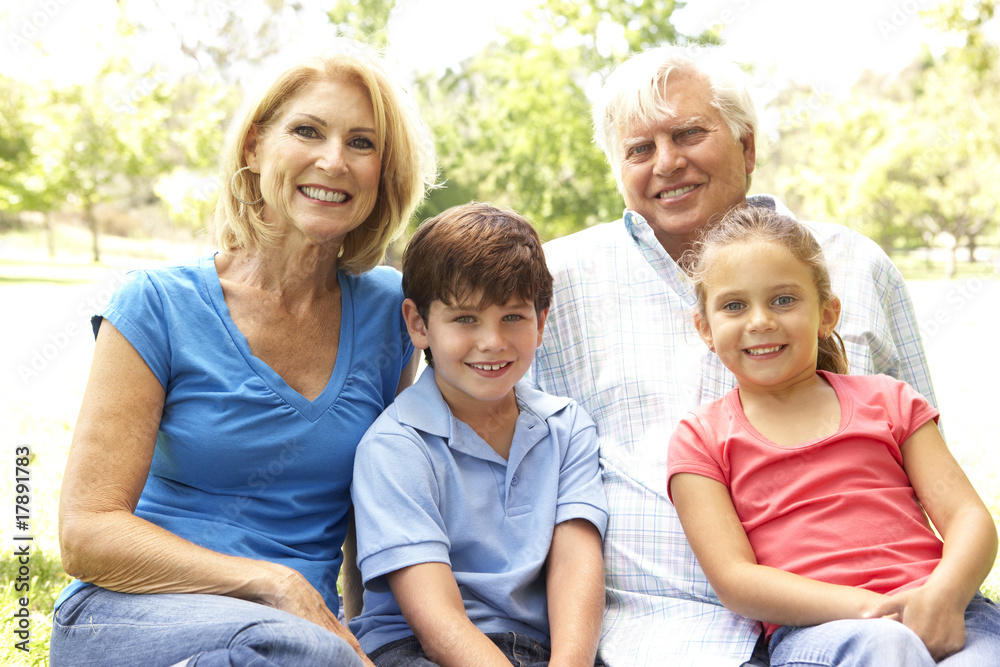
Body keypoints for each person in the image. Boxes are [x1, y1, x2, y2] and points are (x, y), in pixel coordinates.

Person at [531, 44, 939, 666]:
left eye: (689, 133)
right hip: (659, 637)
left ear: (747, 147)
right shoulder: (553, 284)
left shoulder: (853, 265)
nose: (666, 163)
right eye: (639, 149)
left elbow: (925, 459)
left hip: (869, 615)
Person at [51, 44, 437, 667]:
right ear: (255, 146)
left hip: (300, 644)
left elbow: (373, 510)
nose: (333, 160)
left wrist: (376, 635)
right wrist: (273, 583)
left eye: (362, 143)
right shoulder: (155, 305)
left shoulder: (389, 312)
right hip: (130, 613)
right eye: (307, 131)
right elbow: (86, 533)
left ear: (383, 172)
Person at [667, 206, 1000, 666]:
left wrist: (944, 594)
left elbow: (969, 517)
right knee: (890, 647)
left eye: (784, 300)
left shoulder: (889, 401)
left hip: (948, 607)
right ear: (705, 328)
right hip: (821, 633)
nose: (760, 320)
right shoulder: (701, 437)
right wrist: (872, 611)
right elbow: (735, 579)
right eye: (734, 305)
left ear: (827, 314)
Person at [348, 202, 609, 667]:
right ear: (419, 324)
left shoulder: (567, 429)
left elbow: (575, 565)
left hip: (543, 650)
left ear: (541, 320)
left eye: (513, 317)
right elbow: (436, 621)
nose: (492, 341)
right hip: (418, 649)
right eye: (465, 319)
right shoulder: (395, 447)